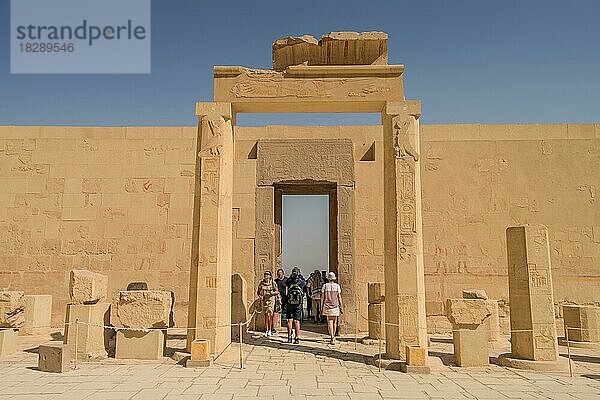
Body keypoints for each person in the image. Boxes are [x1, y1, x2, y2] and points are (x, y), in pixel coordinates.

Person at [321, 271, 343, 345]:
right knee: (334, 321)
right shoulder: (337, 286)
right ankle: (333, 336)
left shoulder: (325, 286)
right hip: (335, 305)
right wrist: (341, 306)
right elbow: (339, 297)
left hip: (327, 305)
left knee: (329, 321)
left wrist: (321, 307)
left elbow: (323, 297)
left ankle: (332, 337)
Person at [285, 266, 306, 344]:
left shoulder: (289, 281)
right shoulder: (301, 281)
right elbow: (305, 282)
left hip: (290, 303)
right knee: (297, 321)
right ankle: (297, 338)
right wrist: (300, 276)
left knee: (289, 320)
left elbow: (286, 283)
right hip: (298, 304)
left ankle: (289, 337)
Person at [256, 270, 278, 337]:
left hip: (271, 300)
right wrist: (260, 296)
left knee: (270, 314)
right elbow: (258, 292)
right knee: (266, 315)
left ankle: (270, 329)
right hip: (265, 300)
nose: (266, 275)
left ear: (270, 276)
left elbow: (277, 291)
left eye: (268, 274)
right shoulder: (262, 283)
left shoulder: (273, 283)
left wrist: (272, 293)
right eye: (265, 274)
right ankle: (267, 329)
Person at [274, 268, 287, 333]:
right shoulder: (275, 281)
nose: (279, 275)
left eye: (280, 274)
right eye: (278, 274)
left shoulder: (286, 280)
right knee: (277, 310)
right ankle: (276, 326)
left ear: (283, 273)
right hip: (278, 297)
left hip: (285, 297)